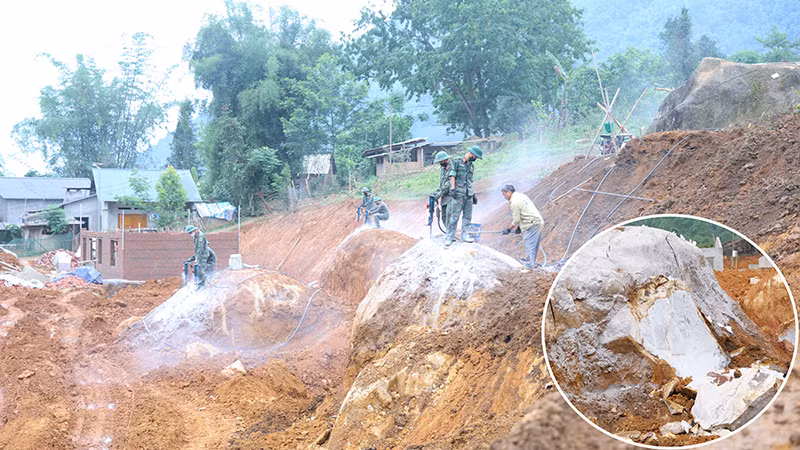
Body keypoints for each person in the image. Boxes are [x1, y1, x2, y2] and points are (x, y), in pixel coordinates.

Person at [445, 146, 482, 246]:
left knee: (467, 217)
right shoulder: (456, 162)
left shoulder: (471, 166)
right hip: (458, 194)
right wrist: (452, 189)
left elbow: (470, 181)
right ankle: (450, 236)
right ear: (471, 153)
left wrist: (473, 194)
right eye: (475, 156)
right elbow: (452, 176)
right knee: (454, 217)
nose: (476, 159)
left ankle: (464, 235)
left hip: (468, 194)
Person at [501, 184, 544, 269]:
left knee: (528, 244)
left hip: (532, 224)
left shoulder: (514, 202)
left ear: (509, 192)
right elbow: (525, 212)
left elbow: (516, 220)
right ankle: (533, 264)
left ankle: (530, 267)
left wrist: (508, 230)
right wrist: (519, 227)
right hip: (536, 222)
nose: (504, 197)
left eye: (504, 194)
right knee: (532, 245)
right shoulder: (521, 195)